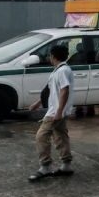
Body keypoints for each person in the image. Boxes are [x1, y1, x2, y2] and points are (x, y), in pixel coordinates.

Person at [28, 44, 75, 181]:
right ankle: (66, 165)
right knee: (60, 136)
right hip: (56, 110)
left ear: (52, 56)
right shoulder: (59, 70)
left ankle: (45, 166)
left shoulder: (62, 71)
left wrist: (59, 112)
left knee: (41, 137)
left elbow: (64, 90)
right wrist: (37, 103)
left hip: (55, 112)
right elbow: (50, 90)